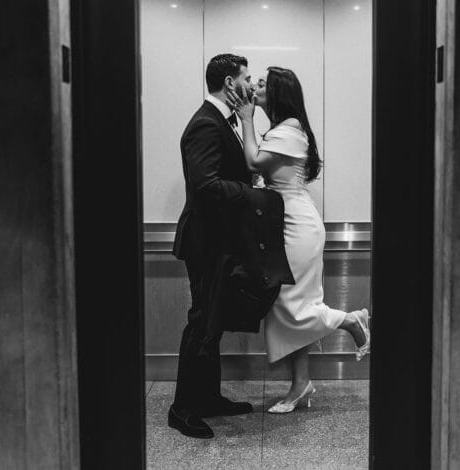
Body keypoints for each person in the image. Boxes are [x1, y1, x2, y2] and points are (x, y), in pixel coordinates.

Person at [226, 66, 371, 414]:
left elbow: (253, 161)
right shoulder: (283, 129)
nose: (255, 87)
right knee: (287, 305)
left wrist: (246, 119)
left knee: (290, 305)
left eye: (262, 83)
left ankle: (349, 320)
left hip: (296, 228)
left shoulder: (289, 129)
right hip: (287, 225)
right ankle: (300, 385)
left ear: (277, 93)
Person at [169, 54, 294, 438]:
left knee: (214, 320)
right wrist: (251, 194)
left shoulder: (220, 120)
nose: (251, 82)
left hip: (218, 240)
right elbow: (205, 186)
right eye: (246, 77)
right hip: (205, 242)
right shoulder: (206, 125)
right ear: (229, 83)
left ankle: (208, 398)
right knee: (201, 322)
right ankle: (183, 408)